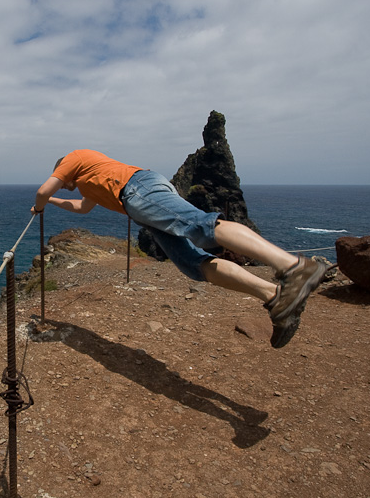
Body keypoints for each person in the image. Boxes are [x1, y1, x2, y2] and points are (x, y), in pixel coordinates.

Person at [31, 149, 326, 348]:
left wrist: (42, 201)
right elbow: (82, 208)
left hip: (138, 188)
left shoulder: (73, 158)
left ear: (61, 168)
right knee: (193, 263)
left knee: (201, 225)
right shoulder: (86, 184)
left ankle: (293, 267)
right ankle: (275, 297)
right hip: (139, 201)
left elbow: (44, 190)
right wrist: (49, 205)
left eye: (62, 179)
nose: (64, 185)